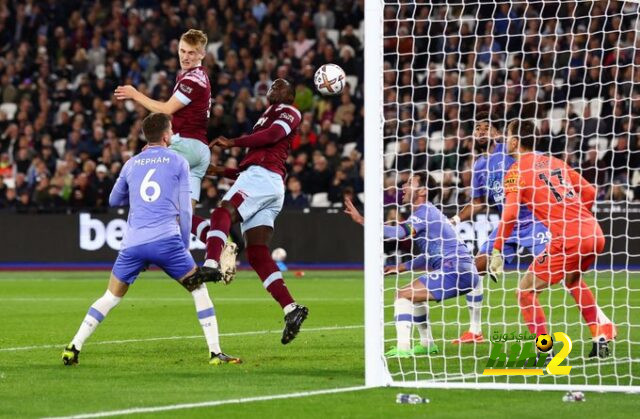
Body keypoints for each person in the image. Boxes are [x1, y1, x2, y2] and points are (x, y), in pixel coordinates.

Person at [62, 113, 241, 366]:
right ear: (167, 135)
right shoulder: (179, 161)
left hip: (133, 243)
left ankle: (74, 346)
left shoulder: (131, 163)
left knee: (110, 297)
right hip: (167, 241)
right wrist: (184, 245)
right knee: (198, 290)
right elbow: (185, 210)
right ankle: (215, 353)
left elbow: (114, 200)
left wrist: (137, 199)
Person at [192, 79, 309, 345]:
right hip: (268, 182)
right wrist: (222, 172)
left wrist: (232, 142)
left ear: (290, 95)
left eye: (280, 85)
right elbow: (256, 159)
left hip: (263, 179)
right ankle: (291, 309)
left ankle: (211, 264)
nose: (274, 87)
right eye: (272, 85)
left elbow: (272, 137)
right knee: (256, 253)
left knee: (222, 212)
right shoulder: (265, 116)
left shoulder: (289, 112)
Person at [489, 119, 616, 358]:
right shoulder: (554, 161)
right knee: (573, 281)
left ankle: (544, 350)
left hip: (568, 238)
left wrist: (497, 251)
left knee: (525, 291)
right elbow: (589, 191)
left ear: (515, 142)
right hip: (594, 233)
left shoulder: (515, 171)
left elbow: (510, 214)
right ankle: (601, 335)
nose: (505, 141)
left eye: (507, 136)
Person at [344, 172, 480, 357]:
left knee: (403, 295)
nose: (403, 187)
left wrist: (362, 220)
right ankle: (426, 344)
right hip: (461, 269)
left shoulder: (424, 212)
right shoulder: (428, 212)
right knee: (414, 294)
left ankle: (403, 347)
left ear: (423, 190)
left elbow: (399, 232)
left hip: (455, 269)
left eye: (410, 183)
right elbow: (429, 256)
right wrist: (399, 267)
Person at [450, 112, 550, 344]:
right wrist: (454, 220)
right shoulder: (479, 165)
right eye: (477, 127)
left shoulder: (509, 152)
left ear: (497, 133)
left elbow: (537, 159)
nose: (481, 131)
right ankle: (475, 331)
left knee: (564, 271)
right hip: (507, 225)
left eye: (487, 127)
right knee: (475, 267)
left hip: (535, 220)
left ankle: (600, 323)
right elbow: (478, 202)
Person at [114, 29, 212, 208]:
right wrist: (161, 144)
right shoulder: (194, 76)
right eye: (182, 51)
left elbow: (167, 109)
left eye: (191, 52)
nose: (185, 57)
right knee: (184, 218)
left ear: (202, 54)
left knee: (144, 169)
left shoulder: (192, 80)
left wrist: (135, 95)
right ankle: (218, 235)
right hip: (200, 151)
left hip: (187, 147)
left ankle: (122, 208)